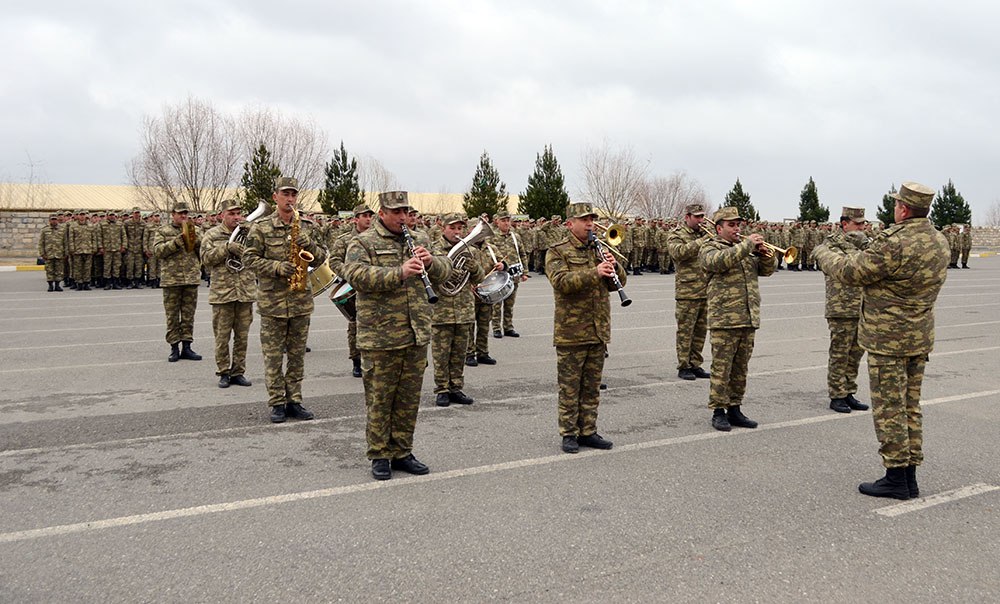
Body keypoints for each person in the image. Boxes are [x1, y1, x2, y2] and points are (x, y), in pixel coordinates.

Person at [812, 182, 949, 500]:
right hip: (919, 336)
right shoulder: (939, 241)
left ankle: (896, 477)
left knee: (889, 408)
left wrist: (823, 253)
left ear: (902, 209)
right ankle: (910, 475)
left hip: (888, 339)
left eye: (897, 204)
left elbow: (851, 272)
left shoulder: (893, 242)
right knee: (910, 407)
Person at [342, 190, 451, 480]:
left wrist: (431, 264)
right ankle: (379, 453)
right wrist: (398, 273)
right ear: (382, 213)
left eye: (406, 211)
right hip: (380, 336)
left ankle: (402, 450)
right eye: (396, 212)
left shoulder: (420, 238)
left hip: (416, 332)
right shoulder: (363, 241)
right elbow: (355, 275)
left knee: (408, 398)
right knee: (380, 398)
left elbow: (445, 269)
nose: (403, 217)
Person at [243, 177, 327, 423]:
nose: (290, 199)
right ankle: (277, 402)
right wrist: (276, 267)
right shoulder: (261, 227)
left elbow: (322, 257)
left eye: (293, 195)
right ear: (275, 197)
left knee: (297, 355)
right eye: (285, 194)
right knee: (273, 356)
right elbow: (249, 259)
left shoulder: (307, 226)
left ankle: (295, 400)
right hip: (272, 302)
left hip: (300, 300)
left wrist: (309, 244)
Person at [546, 202, 627, 454]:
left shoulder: (598, 248)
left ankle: (588, 430)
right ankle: (569, 433)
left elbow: (619, 283)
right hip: (571, 331)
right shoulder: (557, 251)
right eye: (584, 219)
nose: (590, 223)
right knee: (570, 387)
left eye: (592, 219)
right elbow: (561, 282)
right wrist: (595, 272)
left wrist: (615, 268)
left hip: (597, 328)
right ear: (570, 224)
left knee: (592, 386)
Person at [699, 206, 776, 432]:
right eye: (731, 225)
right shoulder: (710, 247)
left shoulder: (743, 250)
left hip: (747, 316)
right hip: (724, 318)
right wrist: (746, 246)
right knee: (722, 367)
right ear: (719, 227)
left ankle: (735, 407)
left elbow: (766, 271)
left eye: (738, 224)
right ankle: (718, 410)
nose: (736, 228)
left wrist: (764, 255)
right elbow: (717, 263)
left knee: (740, 368)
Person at [431, 214, 496, 406]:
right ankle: (442, 389)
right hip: (441, 310)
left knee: (459, 353)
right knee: (441, 354)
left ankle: (456, 388)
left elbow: (480, 278)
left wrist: (474, 267)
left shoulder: (471, 251)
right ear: (443, 228)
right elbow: (430, 276)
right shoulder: (434, 249)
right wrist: (448, 271)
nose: (457, 232)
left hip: (464, 308)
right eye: (453, 228)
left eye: (460, 228)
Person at [820, 207, 871, 414]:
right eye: (857, 224)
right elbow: (846, 267)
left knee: (856, 353)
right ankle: (836, 395)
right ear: (844, 224)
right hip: (841, 306)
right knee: (840, 353)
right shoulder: (831, 245)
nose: (862, 227)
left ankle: (849, 391)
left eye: (863, 224)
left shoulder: (865, 243)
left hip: (861, 305)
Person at [200, 200, 257, 388]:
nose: (236, 217)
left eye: (238, 213)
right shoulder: (212, 234)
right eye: (231, 213)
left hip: (245, 291)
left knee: (242, 337)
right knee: (222, 337)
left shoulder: (248, 233)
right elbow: (206, 259)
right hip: (223, 293)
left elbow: (259, 256)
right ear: (222, 215)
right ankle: (223, 372)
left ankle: (238, 371)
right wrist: (226, 247)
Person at [328, 203, 375, 378]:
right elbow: (334, 262)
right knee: (355, 324)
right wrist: (351, 274)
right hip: (354, 286)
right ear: (356, 219)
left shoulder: (378, 238)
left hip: (375, 285)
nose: (369, 219)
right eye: (365, 216)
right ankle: (356, 360)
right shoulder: (344, 240)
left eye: (370, 216)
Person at [666, 203, 712, 381]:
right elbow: (679, 253)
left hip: (706, 288)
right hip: (687, 290)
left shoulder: (705, 233)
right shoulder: (677, 234)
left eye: (702, 216)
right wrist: (702, 242)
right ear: (687, 217)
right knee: (686, 331)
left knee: (701, 331)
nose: (701, 220)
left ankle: (695, 364)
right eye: (697, 217)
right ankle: (683, 366)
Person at [153, 201, 204, 362]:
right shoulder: (163, 231)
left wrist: (194, 238)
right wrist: (176, 242)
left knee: (188, 315)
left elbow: (203, 249)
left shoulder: (195, 230)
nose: (183, 216)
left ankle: (187, 347)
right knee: (172, 316)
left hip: (190, 278)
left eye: (185, 213)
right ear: (172, 214)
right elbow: (158, 251)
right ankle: (174, 347)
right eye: (180, 213)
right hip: (171, 279)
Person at [490, 210, 529, 339]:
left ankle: (508, 327)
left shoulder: (515, 236)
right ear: (497, 222)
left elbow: (522, 254)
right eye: (503, 221)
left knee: (510, 303)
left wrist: (525, 272)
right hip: (499, 275)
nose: (506, 223)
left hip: (513, 273)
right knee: (497, 303)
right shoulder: (492, 237)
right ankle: (496, 327)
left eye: (508, 220)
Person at [38, 214, 65, 291]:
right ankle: (50, 285)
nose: (54, 221)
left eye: (55, 219)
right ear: (49, 220)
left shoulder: (62, 230)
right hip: (48, 254)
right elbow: (41, 243)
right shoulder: (45, 230)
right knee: (49, 270)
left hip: (59, 253)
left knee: (59, 270)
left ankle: (57, 285)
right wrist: (42, 253)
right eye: (52, 219)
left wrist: (65, 252)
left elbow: (65, 242)